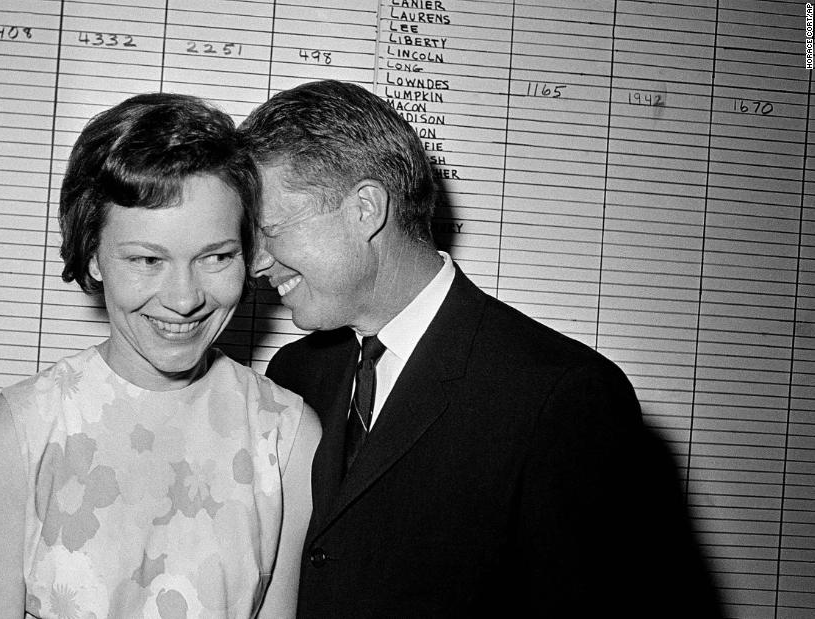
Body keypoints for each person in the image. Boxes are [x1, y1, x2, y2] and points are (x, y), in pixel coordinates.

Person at [240, 80, 720, 617]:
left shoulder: (563, 397)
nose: (256, 263)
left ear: (366, 209)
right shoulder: (295, 372)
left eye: (270, 230)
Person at [0, 92, 320, 619]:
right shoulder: (21, 430)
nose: (184, 298)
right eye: (148, 259)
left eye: (216, 256)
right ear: (94, 256)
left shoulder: (288, 436)